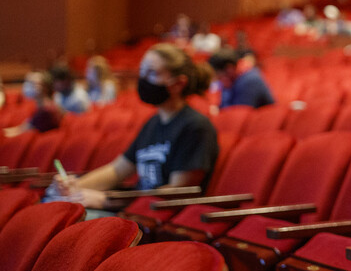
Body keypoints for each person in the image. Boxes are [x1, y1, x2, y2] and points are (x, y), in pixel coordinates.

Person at [50, 44, 218, 212]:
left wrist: (108, 200)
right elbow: (117, 170)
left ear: (179, 83)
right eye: (142, 71)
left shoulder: (195, 127)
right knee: (58, 207)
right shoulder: (153, 123)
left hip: (155, 218)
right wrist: (74, 187)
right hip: (132, 209)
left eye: (151, 73)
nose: (143, 78)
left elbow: (178, 192)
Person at [208, 47, 275, 108]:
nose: (217, 78)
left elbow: (239, 113)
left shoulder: (250, 81)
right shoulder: (232, 78)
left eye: (217, 74)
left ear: (229, 69)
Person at [4, 71, 62, 136]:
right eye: (27, 82)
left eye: (32, 84)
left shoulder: (46, 110)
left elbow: (20, 133)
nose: (28, 86)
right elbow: (21, 128)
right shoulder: (41, 105)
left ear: (45, 88)